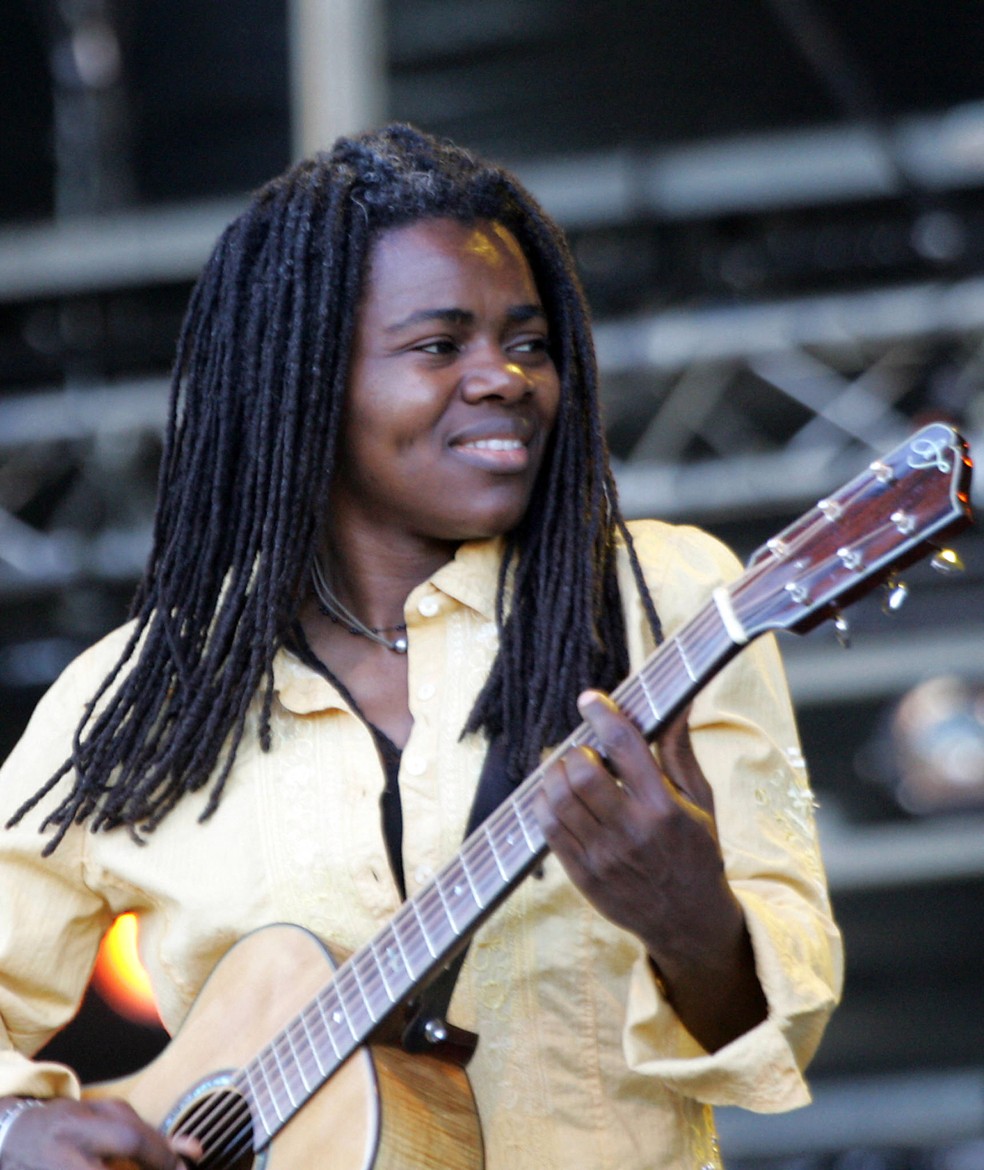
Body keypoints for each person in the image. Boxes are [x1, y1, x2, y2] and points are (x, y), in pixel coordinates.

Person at [0, 123, 842, 1170]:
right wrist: (15, 1127)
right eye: (440, 346)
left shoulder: (659, 599)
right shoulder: (142, 695)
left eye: (528, 343)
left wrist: (691, 920)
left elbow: (777, 1024)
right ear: (304, 382)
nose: (506, 380)